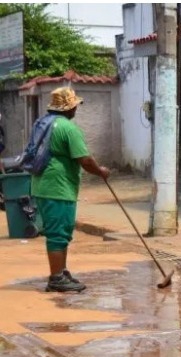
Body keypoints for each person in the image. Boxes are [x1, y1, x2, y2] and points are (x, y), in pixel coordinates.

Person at [32, 87, 110, 293]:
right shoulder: (68, 128)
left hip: (42, 185)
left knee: (62, 231)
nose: (76, 108)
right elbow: (85, 159)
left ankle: (62, 272)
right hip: (58, 187)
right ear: (68, 108)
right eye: (74, 105)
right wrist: (101, 171)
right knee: (58, 233)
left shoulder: (44, 123)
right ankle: (56, 278)